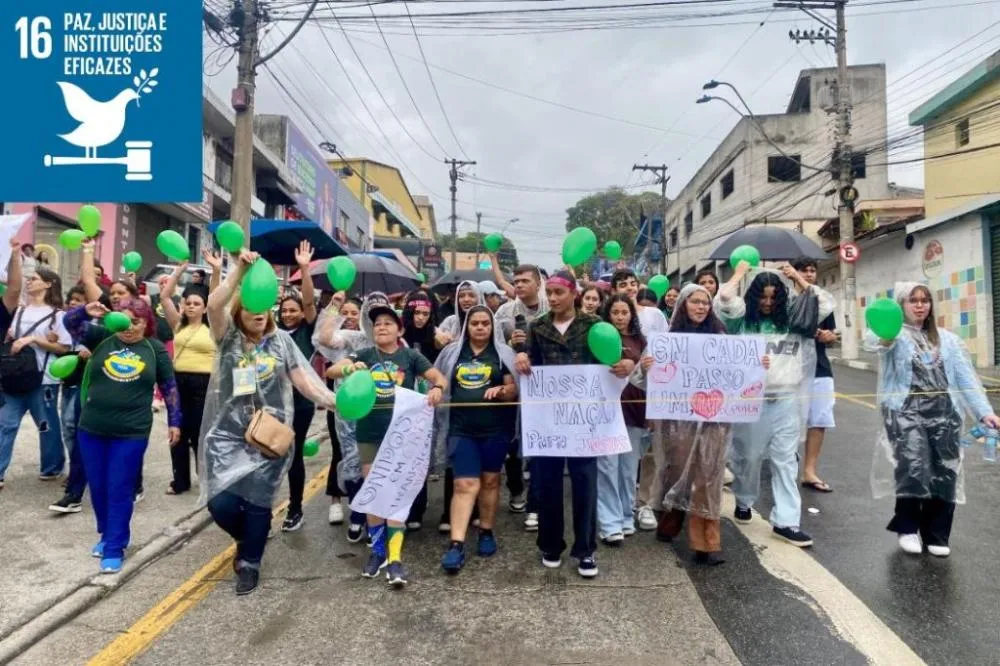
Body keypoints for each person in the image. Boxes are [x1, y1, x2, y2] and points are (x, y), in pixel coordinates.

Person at [201, 250, 335, 595]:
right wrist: (238, 271)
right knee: (221, 502)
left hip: (269, 435)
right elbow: (214, 306)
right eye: (251, 308)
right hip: (228, 434)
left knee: (259, 502)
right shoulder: (227, 335)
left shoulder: (282, 342)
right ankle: (247, 537)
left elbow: (303, 380)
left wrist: (332, 402)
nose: (259, 314)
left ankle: (250, 562)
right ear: (240, 309)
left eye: (264, 308)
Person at [514, 270, 634, 578]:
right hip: (549, 423)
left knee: (585, 484)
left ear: (573, 294)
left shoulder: (594, 325)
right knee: (548, 484)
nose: (553, 298)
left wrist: (626, 364)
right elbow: (532, 364)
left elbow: (618, 357)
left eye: (559, 293)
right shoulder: (537, 326)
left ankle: (586, 550)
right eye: (549, 292)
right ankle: (550, 545)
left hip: (585, 422)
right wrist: (522, 360)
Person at [865, 282, 999, 557]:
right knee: (914, 468)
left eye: (924, 300)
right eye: (912, 300)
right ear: (902, 305)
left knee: (946, 472)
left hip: (945, 414)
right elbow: (873, 343)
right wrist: (885, 336)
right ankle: (908, 527)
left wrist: (985, 412)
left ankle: (936, 533)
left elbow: (966, 380)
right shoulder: (897, 336)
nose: (919, 305)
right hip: (905, 413)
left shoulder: (948, 340)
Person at [329, 303, 447, 588]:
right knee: (375, 491)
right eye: (377, 323)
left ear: (400, 329)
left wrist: (436, 389)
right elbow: (334, 369)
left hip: (401, 435)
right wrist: (349, 366)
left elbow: (439, 378)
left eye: (387, 323)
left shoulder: (411, 356)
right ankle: (377, 551)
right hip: (369, 434)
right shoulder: (365, 355)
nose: (381, 327)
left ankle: (395, 557)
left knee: (395, 493)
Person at [717, 262, 833, 548]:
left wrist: (797, 278)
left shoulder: (795, 319)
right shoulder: (741, 321)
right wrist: (740, 274)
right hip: (750, 401)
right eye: (762, 297)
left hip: (786, 401)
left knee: (785, 460)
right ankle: (744, 499)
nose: (768, 302)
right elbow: (723, 299)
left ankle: (786, 521)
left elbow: (825, 303)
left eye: (773, 297)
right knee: (749, 457)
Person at [64, 297, 180, 574]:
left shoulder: (153, 349)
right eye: (124, 322)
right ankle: (107, 534)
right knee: (99, 487)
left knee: (119, 488)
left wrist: (175, 422)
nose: (129, 328)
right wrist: (85, 310)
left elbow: (170, 386)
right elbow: (70, 323)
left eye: (136, 322)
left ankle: (115, 546)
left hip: (131, 432)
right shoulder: (102, 338)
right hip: (92, 428)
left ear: (146, 323)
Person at [644, 284, 750, 565]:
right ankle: (670, 521)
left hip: (715, 419)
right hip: (678, 419)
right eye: (695, 302)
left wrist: (758, 363)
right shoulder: (669, 339)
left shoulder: (721, 335)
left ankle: (707, 544)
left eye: (705, 302)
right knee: (677, 471)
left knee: (709, 476)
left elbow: (741, 369)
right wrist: (648, 366)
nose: (701, 307)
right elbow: (649, 378)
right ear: (683, 305)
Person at [437, 305, 518, 573]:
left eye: (485, 323)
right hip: (461, 430)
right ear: (467, 326)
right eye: (475, 323)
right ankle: (456, 544)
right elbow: (437, 382)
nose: (481, 327)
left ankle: (486, 531)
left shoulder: (503, 354)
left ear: (492, 326)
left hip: (496, 430)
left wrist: (503, 390)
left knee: (491, 480)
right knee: (464, 484)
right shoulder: (451, 354)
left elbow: (513, 391)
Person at [0, 267, 71, 488]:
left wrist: (35, 340)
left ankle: (52, 466)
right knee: (5, 424)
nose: (29, 282)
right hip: (16, 377)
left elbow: (63, 347)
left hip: (44, 378)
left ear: (48, 284)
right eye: (28, 279)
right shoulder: (20, 312)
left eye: (35, 279)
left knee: (45, 425)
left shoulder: (58, 315)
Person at [159, 255, 222, 495]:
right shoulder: (179, 325)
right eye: (188, 303)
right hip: (178, 382)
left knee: (199, 434)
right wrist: (178, 271)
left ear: (205, 307)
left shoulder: (214, 327)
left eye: (197, 303)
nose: (191, 306)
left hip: (203, 383)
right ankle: (180, 481)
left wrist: (216, 271)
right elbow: (165, 297)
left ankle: (206, 480)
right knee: (177, 431)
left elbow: (218, 298)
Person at [494, 264, 549, 523]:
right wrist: (510, 343)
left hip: (545, 385)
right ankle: (517, 491)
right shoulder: (505, 311)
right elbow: (494, 345)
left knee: (540, 446)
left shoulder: (552, 308)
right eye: (515, 281)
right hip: (513, 383)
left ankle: (537, 504)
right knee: (512, 442)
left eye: (525, 280)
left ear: (538, 284)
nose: (519, 285)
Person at [595, 294, 646, 545]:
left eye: (624, 312)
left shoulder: (641, 340)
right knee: (606, 468)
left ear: (631, 315)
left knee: (628, 470)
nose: (620, 317)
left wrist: (634, 363)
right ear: (608, 314)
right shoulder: (595, 336)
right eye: (615, 312)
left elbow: (653, 373)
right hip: (605, 414)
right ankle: (609, 523)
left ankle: (627, 516)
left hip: (634, 412)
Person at [277, 241, 319, 532]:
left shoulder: (308, 330)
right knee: (269, 456)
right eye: (284, 311)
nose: (289, 314)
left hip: (301, 404)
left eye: (293, 310)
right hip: (273, 405)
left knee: (293, 455)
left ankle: (295, 508)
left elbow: (308, 301)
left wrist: (304, 268)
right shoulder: (272, 333)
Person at [792, 258, 838, 492]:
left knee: (819, 419)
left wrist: (829, 337)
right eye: (804, 270)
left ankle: (810, 471)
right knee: (790, 420)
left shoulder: (821, 302)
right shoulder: (787, 300)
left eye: (812, 271)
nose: (809, 274)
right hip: (790, 370)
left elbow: (832, 333)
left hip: (820, 367)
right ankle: (788, 466)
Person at [48, 286, 93, 513]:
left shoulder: (96, 328)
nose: (73, 303)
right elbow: (69, 323)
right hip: (70, 382)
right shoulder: (73, 324)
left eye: (79, 300)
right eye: (72, 299)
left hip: (90, 388)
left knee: (75, 428)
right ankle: (74, 484)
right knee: (70, 430)